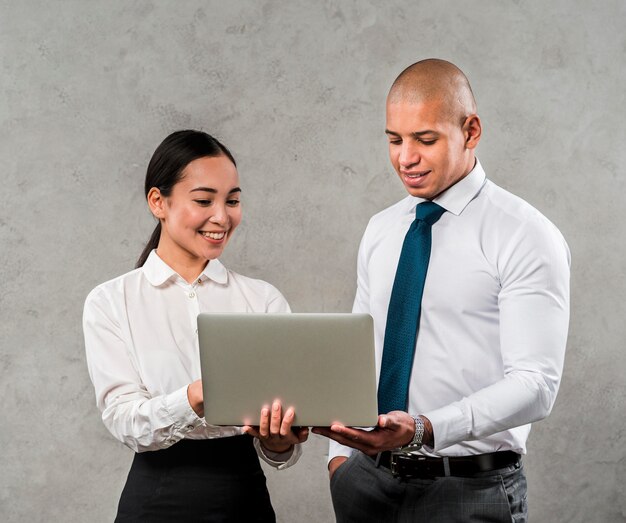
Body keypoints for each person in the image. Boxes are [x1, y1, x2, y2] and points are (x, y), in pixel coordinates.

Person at [313, 59, 570, 522]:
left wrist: (425, 429)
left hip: (469, 491)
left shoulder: (524, 235)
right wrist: (338, 462)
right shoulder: (381, 230)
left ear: (470, 131)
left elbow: (536, 385)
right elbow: (357, 353)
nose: (404, 158)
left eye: (424, 140)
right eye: (394, 140)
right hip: (365, 486)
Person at [83, 130, 308, 522]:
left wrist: (279, 440)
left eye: (233, 200)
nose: (222, 216)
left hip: (246, 501)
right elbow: (122, 419)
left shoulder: (263, 300)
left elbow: (279, 448)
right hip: (157, 500)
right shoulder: (111, 301)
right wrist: (196, 396)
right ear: (159, 202)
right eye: (204, 200)